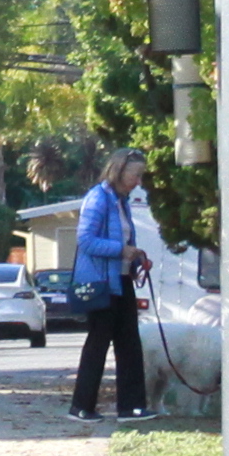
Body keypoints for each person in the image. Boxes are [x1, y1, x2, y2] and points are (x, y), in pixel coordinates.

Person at [65, 150, 155, 422]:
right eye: (135, 174)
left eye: (140, 175)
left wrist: (135, 260)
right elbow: (86, 240)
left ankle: (131, 408)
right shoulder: (98, 198)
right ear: (119, 170)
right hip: (101, 284)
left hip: (122, 281)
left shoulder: (121, 201)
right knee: (98, 343)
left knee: (129, 345)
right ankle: (81, 407)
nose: (138, 181)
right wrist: (121, 250)